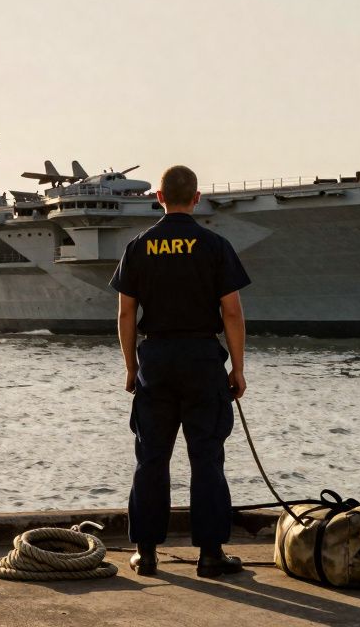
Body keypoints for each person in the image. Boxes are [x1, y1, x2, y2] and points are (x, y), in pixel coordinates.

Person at [109, 164, 251, 579]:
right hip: (203, 360)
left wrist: (132, 367)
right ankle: (209, 555)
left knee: (151, 458)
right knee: (207, 458)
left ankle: (148, 554)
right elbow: (232, 311)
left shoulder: (138, 246)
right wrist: (237, 369)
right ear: (197, 198)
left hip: (156, 358)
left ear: (158, 197)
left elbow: (126, 313)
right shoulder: (215, 245)